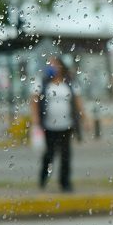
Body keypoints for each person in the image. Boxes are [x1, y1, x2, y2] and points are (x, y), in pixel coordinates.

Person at [31, 56, 85, 192]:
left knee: (66, 154)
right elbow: (34, 100)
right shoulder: (43, 82)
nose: (52, 67)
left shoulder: (70, 82)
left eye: (54, 64)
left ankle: (65, 182)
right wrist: (35, 118)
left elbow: (78, 101)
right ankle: (43, 178)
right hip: (49, 126)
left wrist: (85, 118)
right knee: (49, 154)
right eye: (50, 64)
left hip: (67, 125)